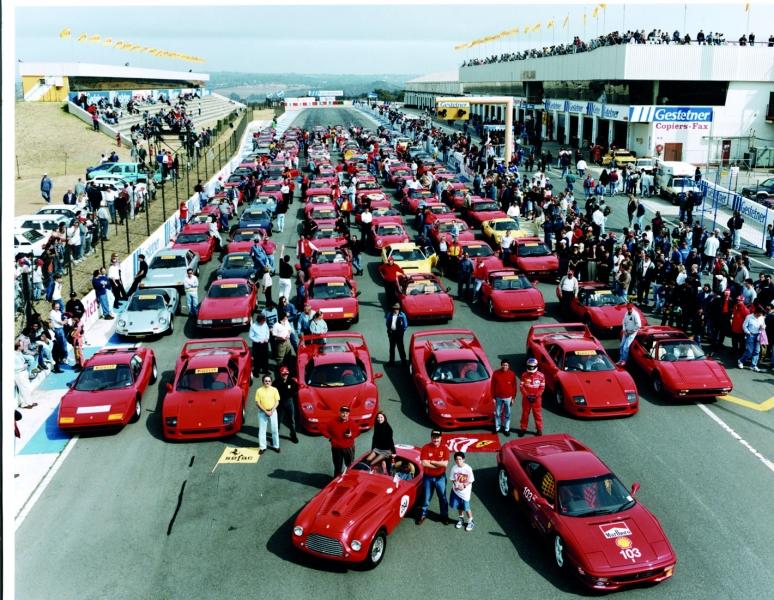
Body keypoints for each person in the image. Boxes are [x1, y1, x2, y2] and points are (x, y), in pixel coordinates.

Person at [417, 430, 451, 525]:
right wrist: (438, 464)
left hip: (440, 478)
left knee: (442, 497)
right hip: (428, 477)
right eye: (434, 437)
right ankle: (423, 515)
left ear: (441, 438)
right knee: (426, 497)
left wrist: (431, 462)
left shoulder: (445, 449)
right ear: (431, 437)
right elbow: (424, 463)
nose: (435, 439)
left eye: (437, 437)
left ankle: (444, 516)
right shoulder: (425, 447)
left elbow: (445, 464)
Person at [323, 406, 359, 477]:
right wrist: (329, 436)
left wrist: (351, 435)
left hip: (348, 448)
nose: (344, 415)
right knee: (337, 467)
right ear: (340, 413)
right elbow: (322, 428)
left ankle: (348, 479)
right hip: (336, 448)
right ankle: (335, 482)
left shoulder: (352, 422)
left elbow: (357, 432)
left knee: (350, 465)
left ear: (348, 414)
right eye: (343, 413)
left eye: (346, 413)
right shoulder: (333, 421)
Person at [518, 358, 545, 436]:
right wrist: (527, 395)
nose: (531, 368)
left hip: (537, 399)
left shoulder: (541, 376)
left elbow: (542, 388)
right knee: (525, 414)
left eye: (532, 366)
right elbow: (521, 386)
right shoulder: (524, 375)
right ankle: (523, 428)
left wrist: (536, 396)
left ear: (536, 366)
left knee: (537, 414)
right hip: (526, 398)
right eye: (529, 366)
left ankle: (539, 430)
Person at [449, 452, 475, 531]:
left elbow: (471, 480)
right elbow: (452, 479)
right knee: (459, 506)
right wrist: (455, 484)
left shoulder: (468, 469)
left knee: (466, 508)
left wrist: (463, 485)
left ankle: (471, 521)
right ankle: (461, 519)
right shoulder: (454, 468)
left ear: (464, 459)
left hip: (465, 493)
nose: (458, 461)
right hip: (456, 491)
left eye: (460, 459)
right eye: (456, 459)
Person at [255, 375, 281, 455]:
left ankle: (276, 446)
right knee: (262, 431)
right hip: (262, 413)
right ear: (263, 382)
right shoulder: (259, 391)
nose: (267, 382)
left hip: (273, 412)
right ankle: (262, 447)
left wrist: (271, 411)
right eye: (266, 381)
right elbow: (257, 403)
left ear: (271, 382)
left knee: (274, 430)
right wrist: (266, 411)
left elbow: (277, 402)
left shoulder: (274, 390)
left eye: (269, 381)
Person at [491, 359, 517, 435]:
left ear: (508, 366)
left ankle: (506, 429)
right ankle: (497, 427)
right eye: (503, 365)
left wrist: (513, 398)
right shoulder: (496, 373)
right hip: (498, 397)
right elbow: (492, 386)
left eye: (506, 365)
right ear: (501, 365)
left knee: (507, 414)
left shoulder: (512, 374)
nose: (504, 366)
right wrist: (493, 397)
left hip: (508, 398)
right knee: (498, 413)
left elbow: (514, 387)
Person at [274, 365, 299, 444]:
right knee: (278, 420)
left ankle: (293, 435)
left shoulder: (292, 381)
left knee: (291, 420)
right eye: (283, 374)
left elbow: (295, 390)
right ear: (280, 374)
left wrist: (291, 394)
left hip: (289, 402)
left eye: (286, 374)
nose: (285, 375)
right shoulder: (276, 382)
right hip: (280, 403)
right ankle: (275, 436)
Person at [739, 306, 765, 372]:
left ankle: (753, 365)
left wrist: (763, 327)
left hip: (758, 335)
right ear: (756, 312)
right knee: (749, 351)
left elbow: (764, 325)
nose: (760, 315)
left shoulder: (761, 317)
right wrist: (748, 333)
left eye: (761, 314)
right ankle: (741, 361)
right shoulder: (749, 317)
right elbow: (744, 326)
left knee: (757, 351)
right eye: (759, 314)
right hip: (750, 335)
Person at [249, 312, 271, 376]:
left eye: (264, 321)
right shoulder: (253, 326)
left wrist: (267, 338)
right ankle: (256, 371)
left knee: (265, 357)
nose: (263, 323)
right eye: (262, 321)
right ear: (259, 320)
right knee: (257, 358)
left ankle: (265, 370)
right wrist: (257, 341)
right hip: (257, 345)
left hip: (264, 343)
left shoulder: (265, 324)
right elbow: (251, 336)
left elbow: (267, 332)